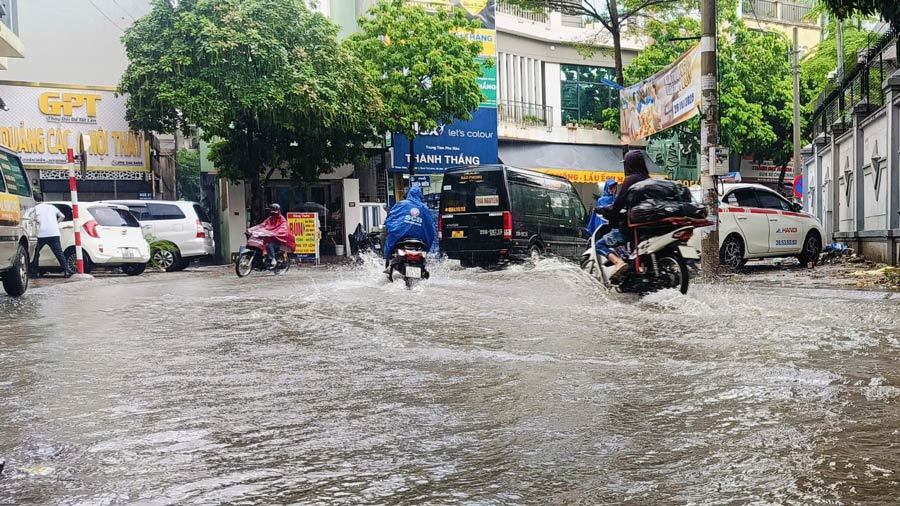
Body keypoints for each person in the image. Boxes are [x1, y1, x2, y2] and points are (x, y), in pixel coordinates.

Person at [596, 150, 650, 279]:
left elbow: (619, 204)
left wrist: (604, 211)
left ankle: (618, 262)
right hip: (648, 228)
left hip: (631, 227)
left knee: (599, 244)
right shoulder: (649, 180)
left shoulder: (631, 180)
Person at [382, 187, 438, 270]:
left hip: (401, 237)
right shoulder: (424, 208)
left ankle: (388, 264)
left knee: (389, 245)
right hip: (419, 241)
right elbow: (431, 229)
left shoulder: (401, 204)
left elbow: (391, 219)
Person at [31, 196, 72, 278]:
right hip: (54, 233)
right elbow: (62, 216)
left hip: (40, 234)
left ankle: (35, 272)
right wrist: (56, 224)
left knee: (35, 253)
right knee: (59, 253)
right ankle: (66, 270)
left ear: (34, 200)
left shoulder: (35, 209)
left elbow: (32, 220)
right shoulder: (51, 207)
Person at [254, 203, 294, 268]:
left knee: (270, 245)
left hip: (279, 240)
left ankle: (273, 259)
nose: (273, 214)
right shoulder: (269, 219)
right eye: (272, 212)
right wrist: (255, 229)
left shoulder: (282, 219)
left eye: (275, 213)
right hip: (269, 238)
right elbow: (263, 225)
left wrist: (276, 233)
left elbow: (283, 228)